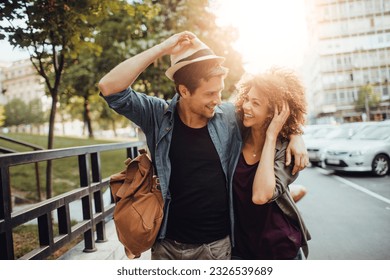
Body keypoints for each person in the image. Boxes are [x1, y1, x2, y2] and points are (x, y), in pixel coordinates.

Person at [98, 31, 308, 260]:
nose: (218, 99)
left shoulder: (228, 116)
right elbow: (110, 88)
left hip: (217, 247)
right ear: (184, 91)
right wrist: (162, 48)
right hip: (167, 245)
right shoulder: (157, 116)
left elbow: (268, 112)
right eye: (210, 93)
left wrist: (297, 132)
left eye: (219, 91)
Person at [232, 68, 311, 260]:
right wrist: (296, 133)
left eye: (255, 103)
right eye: (247, 98)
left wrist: (271, 135)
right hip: (240, 250)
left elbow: (261, 195)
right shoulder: (235, 133)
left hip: (280, 250)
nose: (246, 106)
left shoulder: (288, 151)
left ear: (274, 113)